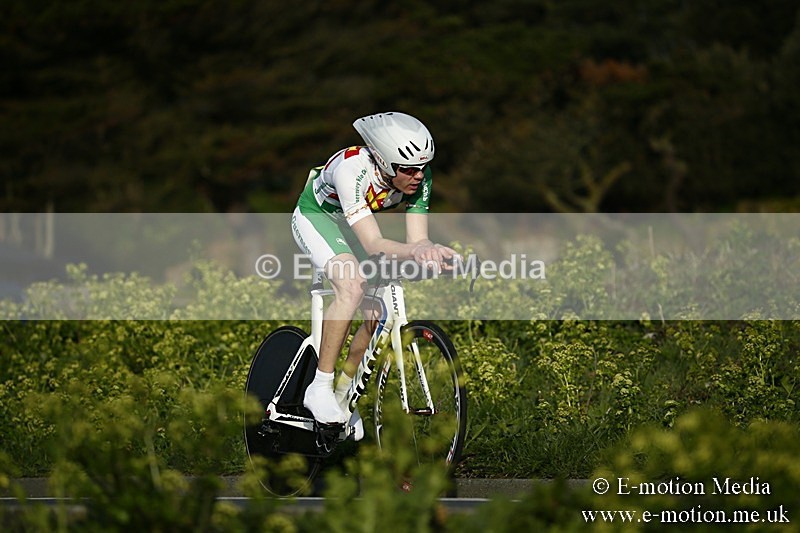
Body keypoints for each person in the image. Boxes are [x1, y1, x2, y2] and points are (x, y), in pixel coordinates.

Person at [291, 112, 458, 439]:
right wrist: (417, 252)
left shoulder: (419, 177)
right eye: (408, 169)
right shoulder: (353, 169)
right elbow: (373, 242)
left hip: (353, 223)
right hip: (318, 217)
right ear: (383, 162)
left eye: (423, 167)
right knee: (351, 287)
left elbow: (417, 240)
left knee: (378, 310)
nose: (418, 175)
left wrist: (433, 250)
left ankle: (340, 399)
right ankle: (319, 386)